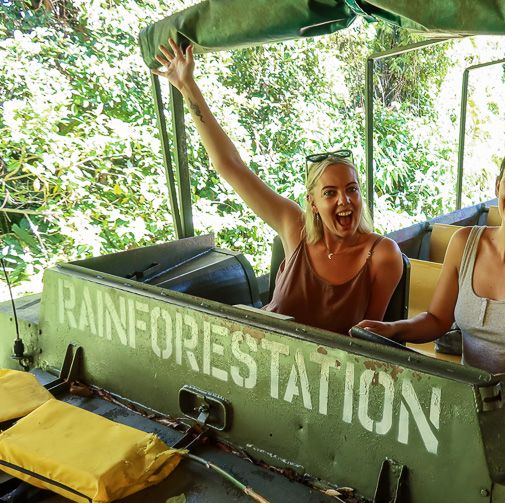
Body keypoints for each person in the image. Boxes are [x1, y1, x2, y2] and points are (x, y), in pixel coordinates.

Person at [152, 39, 403, 335]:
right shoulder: (293, 226)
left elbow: (369, 341)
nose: (344, 201)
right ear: (313, 203)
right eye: (330, 193)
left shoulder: (382, 255)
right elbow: (229, 164)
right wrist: (186, 86)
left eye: (352, 189)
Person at [358, 121, 505, 373]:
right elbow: (437, 320)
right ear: (497, 185)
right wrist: (392, 328)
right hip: (467, 396)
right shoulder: (463, 243)